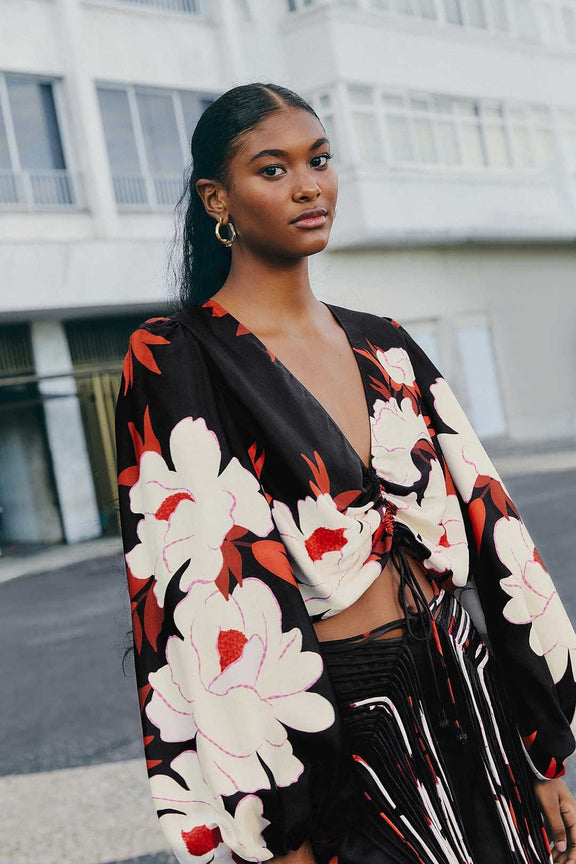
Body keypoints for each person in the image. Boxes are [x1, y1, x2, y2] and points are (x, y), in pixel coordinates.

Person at [115, 82, 576, 864]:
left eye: (319, 160)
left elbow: (497, 531)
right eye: (273, 169)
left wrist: (543, 752)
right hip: (336, 728)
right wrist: (277, 826)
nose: (308, 186)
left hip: (474, 692)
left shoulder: (388, 346)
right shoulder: (176, 356)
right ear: (215, 197)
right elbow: (209, 601)